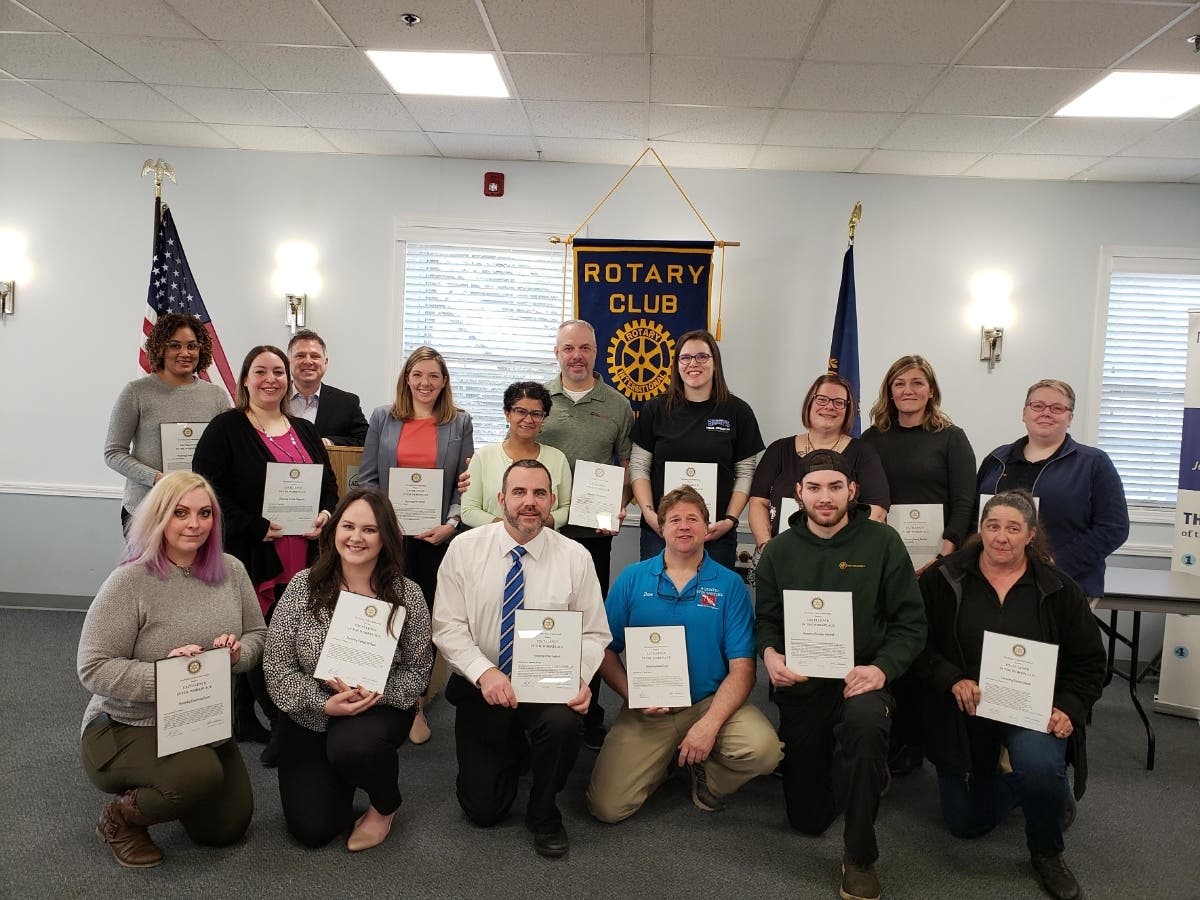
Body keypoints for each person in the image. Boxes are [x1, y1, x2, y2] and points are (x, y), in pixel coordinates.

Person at [915, 491, 1104, 900]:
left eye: (1014, 528)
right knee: (965, 824)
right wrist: (951, 678)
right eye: (993, 526)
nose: (1002, 536)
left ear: (1031, 534)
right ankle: (1031, 789)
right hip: (965, 709)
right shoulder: (944, 578)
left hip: (1032, 710)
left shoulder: (1059, 588)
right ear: (981, 529)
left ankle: (1047, 851)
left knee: (1040, 765)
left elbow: (1090, 662)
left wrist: (1069, 707)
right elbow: (916, 643)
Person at [754, 450, 925, 900]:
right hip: (803, 685)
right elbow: (766, 620)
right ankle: (861, 772)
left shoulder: (883, 543)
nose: (824, 497)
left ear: (852, 490)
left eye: (834, 487)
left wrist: (882, 669)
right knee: (807, 820)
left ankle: (860, 854)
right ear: (798, 493)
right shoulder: (779, 551)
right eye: (814, 488)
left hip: (861, 680)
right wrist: (770, 655)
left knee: (865, 726)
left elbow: (911, 624)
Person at [77, 471, 266, 868]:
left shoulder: (231, 571)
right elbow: (93, 667)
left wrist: (237, 655)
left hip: (202, 721)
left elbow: (257, 635)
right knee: (199, 773)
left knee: (226, 828)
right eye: (180, 513)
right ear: (159, 516)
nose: (194, 524)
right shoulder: (129, 581)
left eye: (204, 513)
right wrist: (166, 675)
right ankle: (120, 819)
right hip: (126, 724)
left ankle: (174, 786)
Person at [432, 459, 611, 859]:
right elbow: (447, 626)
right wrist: (485, 673)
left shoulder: (576, 557)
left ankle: (544, 810)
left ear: (552, 501)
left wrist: (579, 677)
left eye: (539, 493)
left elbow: (594, 633)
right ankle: (513, 747)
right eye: (519, 492)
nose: (529, 502)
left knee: (564, 723)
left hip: (547, 684)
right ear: (501, 499)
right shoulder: (464, 549)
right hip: (483, 685)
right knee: (483, 810)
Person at [586, 486, 782, 823]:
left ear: (707, 528)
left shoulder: (729, 585)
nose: (684, 526)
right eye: (675, 519)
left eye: (693, 519)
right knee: (606, 808)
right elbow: (604, 648)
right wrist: (633, 694)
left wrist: (710, 724)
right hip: (650, 707)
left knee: (764, 751)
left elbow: (743, 668)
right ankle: (663, 762)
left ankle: (706, 774)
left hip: (710, 702)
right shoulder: (632, 578)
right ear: (661, 528)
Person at [263, 488, 434, 852]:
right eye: (349, 526)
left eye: (370, 530)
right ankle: (340, 775)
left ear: (386, 537)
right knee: (313, 830)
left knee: (353, 748)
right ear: (334, 529)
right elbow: (277, 667)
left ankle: (385, 804)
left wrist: (378, 694)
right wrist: (322, 704)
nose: (356, 537)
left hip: (376, 710)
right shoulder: (303, 586)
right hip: (310, 713)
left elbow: (418, 671)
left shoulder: (408, 595)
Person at [193, 345, 339, 762]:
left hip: (303, 552)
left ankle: (244, 717)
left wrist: (326, 513)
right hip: (253, 553)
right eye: (261, 371)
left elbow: (328, 484)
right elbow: (207, 488)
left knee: (291, 634)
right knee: (262, 638)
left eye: (278, 372)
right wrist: (254, 526)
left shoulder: (304, 430)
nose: (270, 379)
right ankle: (280, 723)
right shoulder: (226, 427)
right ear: (245, 379)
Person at [860, 354, 976, 776]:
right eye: (899, 384)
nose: (908, 390)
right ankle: (893, 735)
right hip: (885, 560)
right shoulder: (872, 439)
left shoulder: (951, 438)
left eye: (916, 383)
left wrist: (945, 552)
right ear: (889, 391)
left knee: (926, 647)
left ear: (931, 390)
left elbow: (965, 500)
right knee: (887, 642)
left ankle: (923, 740)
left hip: (938, 563)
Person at [359, 345, 474, 745]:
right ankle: (374, 693)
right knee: (381, 613)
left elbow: (464, 485)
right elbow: (367, 478)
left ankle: (415, 702)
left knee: (422, 620)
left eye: (433, 376)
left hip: (434, 539)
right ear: (406, 378)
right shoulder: (383, 417)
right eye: (418, 375)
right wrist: (379, 524)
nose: (425, 383)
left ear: (444, 382)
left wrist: (451, 524)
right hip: (387, 538)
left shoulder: (459, 422)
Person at [539, 319, 634, 750]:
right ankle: (538, 698)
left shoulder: (618, 404)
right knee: (542, 614)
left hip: (593, 533)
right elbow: (516, 451)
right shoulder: (539, 398)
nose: (576, 356)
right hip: (541, 530)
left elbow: (628, 463)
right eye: (568, 348)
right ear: (556, 352)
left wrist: (622, 502)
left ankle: (588, 711)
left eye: (585, 348)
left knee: (588, 624)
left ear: (596, 352)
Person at [976, 379, 1129, 598]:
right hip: (993, 582)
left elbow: (1114, 528)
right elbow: (976, 517)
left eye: (1057, 408)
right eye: (1037, 406)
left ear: (1070, 418)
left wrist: (1054, 563)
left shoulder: (1093, 463)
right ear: (1024, 413)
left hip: (1064, 586)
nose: (1046, 413)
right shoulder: (996, 459)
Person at [631, 328, 764, 570]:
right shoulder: (655, 409)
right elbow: (639, 467)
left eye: (702, 356)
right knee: (657, 593)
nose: (693, 364)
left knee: (712, 593)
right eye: (686, 357)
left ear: (715, 362)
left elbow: (745, 473)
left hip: (716, 533)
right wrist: (650, 515)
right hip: (660, 532)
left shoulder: (738, 411)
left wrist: (730, 520)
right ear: (676, 365)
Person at [104, 312, 230, 530]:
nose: (185, 353)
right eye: (175, 345)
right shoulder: (136, 392)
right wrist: (156, 478)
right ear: (160, 348)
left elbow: (227, 451)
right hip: (146, 509)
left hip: (198, 512)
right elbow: (113, 453)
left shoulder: (216, 396)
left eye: (192, 346)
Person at [749, 372, 889, 549]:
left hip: (843, 556)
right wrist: (767, 547)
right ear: (809, 403)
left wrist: (846, 551)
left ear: (848, 410)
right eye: (822, 399)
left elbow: (876, 510)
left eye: (839, 402)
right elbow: (758, 502)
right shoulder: (778, 449)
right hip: (781, 554)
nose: (829, 406)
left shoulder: (864, 453)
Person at [459, 381, 572, 530]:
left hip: (543, 540)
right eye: (520, 411)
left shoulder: (558, 458)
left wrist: (532, 527)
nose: (528, 419)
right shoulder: (483, 457)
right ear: (507, 414)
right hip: (491, 540)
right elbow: (468, 511)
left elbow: (566, 508)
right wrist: (512, 529)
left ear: (544, 419)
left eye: (536, 414)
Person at [287, 329, 368, 446]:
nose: (308, 361)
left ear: (325, 362)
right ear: (288, 362)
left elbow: (365, 441)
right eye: (300, 356)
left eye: (315, 356)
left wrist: (329, 442)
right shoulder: (274, 399)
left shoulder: (347, 403)